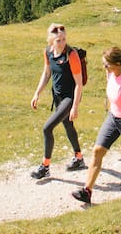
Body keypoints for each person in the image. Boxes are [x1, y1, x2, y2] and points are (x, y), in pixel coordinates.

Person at [71, 46, 121, 203]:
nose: (104, 67)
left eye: (107, 64)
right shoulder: (111, 73)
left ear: (119, 64)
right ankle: (87, 191)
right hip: (113, 118)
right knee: (97, 151)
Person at [29, 23, 86, 179]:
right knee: (68, 125)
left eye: (63, 39)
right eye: (58, 40)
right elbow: (46, 74)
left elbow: (79, 83)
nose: (62, 43)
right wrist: (37, 93)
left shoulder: (71, 55)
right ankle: (79, 158)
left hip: (70, 97)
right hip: (58, 97)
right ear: (50, 41)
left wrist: (74, 106)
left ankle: (45, 166)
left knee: (47, 128)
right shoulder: (48, 52)